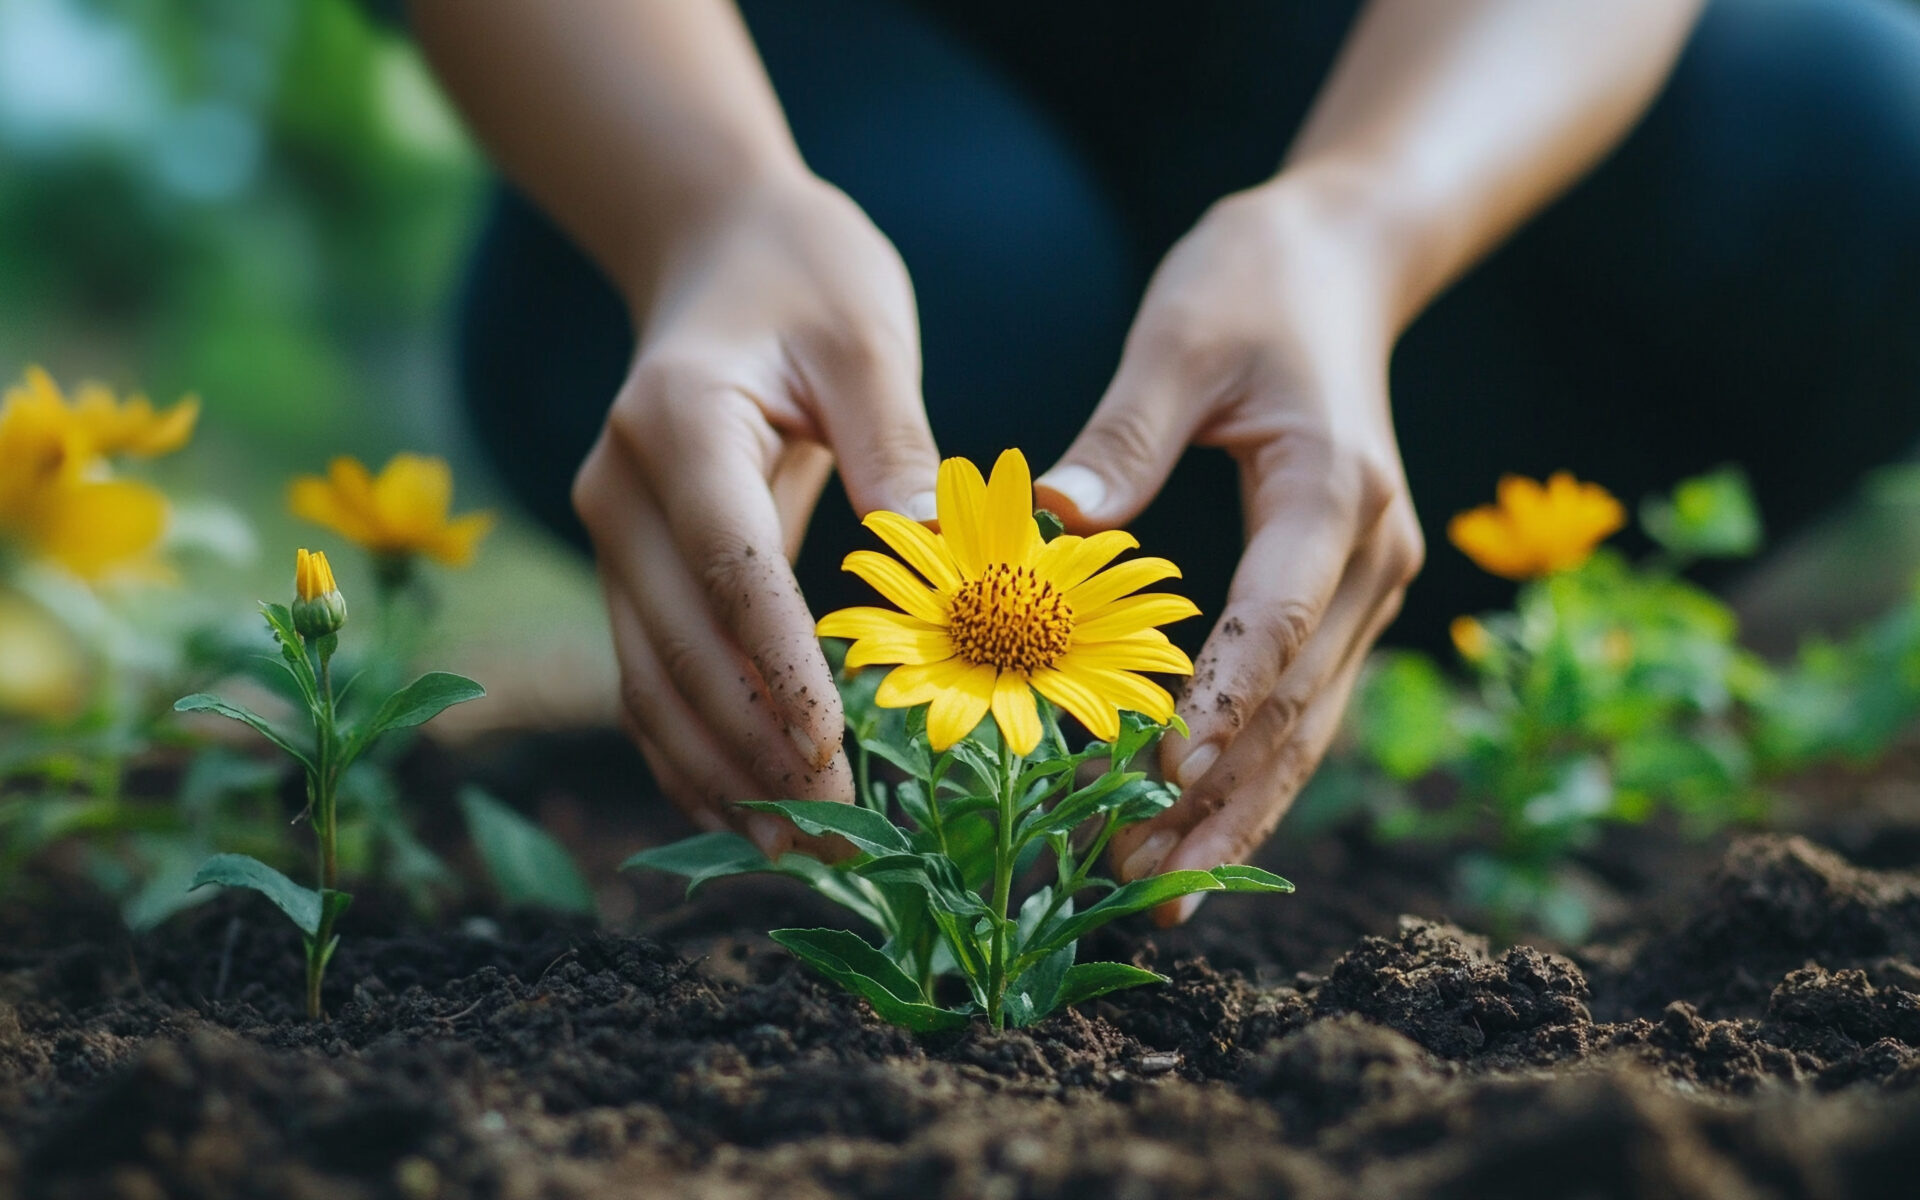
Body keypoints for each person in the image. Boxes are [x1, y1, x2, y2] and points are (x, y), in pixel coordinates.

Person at [407, 0, 1920, 923]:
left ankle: (1276, 577)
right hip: (765, 68)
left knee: (1867, 139)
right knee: (963, 333)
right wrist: (708, 211)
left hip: (1361, 55)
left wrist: (1362, 224)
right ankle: (1160, 708)